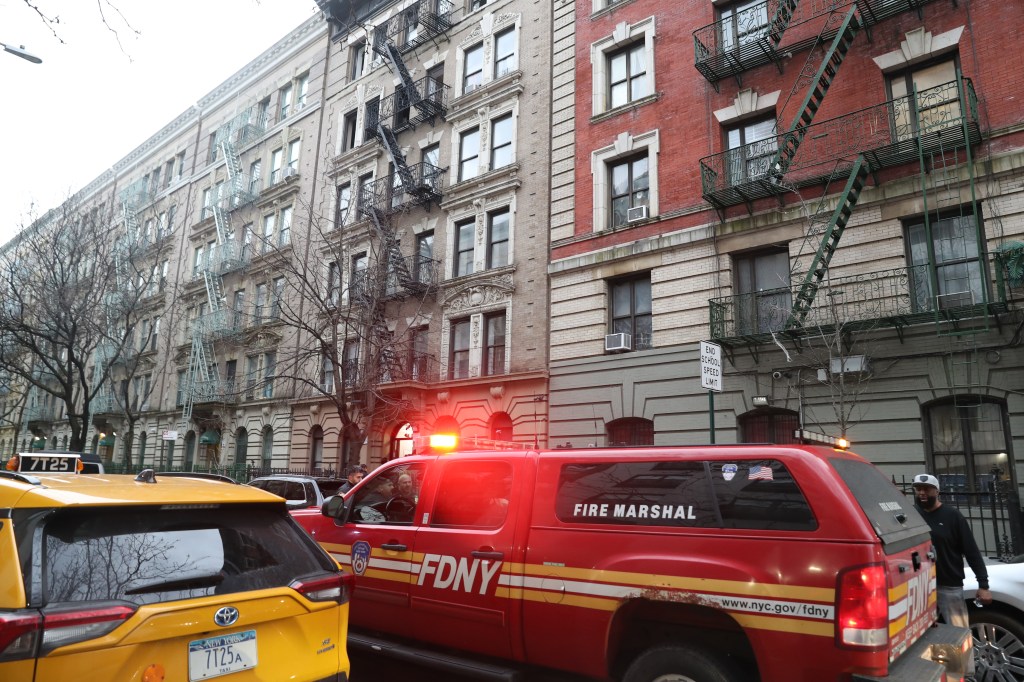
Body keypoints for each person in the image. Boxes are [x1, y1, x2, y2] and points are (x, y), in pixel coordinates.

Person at [912, 473, 991, 677]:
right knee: (928, 636)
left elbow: (971, 551)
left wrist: (983, 584)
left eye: (926, 489)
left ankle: (961, 675)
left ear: (937, 491)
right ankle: (936, 674)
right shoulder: (912, 515)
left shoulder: (953, 516)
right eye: (918, 489)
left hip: (949, 585)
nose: (922, 493)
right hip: (920, 586)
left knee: (954, 634)